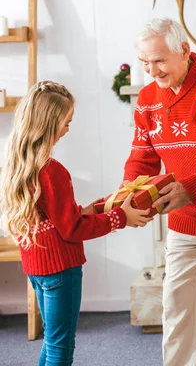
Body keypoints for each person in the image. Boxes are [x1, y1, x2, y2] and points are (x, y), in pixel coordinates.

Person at [0, 81, 150, 366]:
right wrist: (120, 218)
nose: (68, 129)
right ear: (49, 124)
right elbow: (71, 229)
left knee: (53, 340)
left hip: (38, 269)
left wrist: (90, 209)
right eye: (66, 123)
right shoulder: (51, 170)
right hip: (60, 270)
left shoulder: (20, 166)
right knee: (61, 346)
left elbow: (54, 218)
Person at [123, 17, 196, 365]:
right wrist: (128, 192)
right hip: (184, 225)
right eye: (145, 62)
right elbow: (142, 157)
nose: (152, 69)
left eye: (159, 60)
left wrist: (190, 187)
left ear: (185, 51)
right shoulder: (146, 98)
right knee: (177, 311)